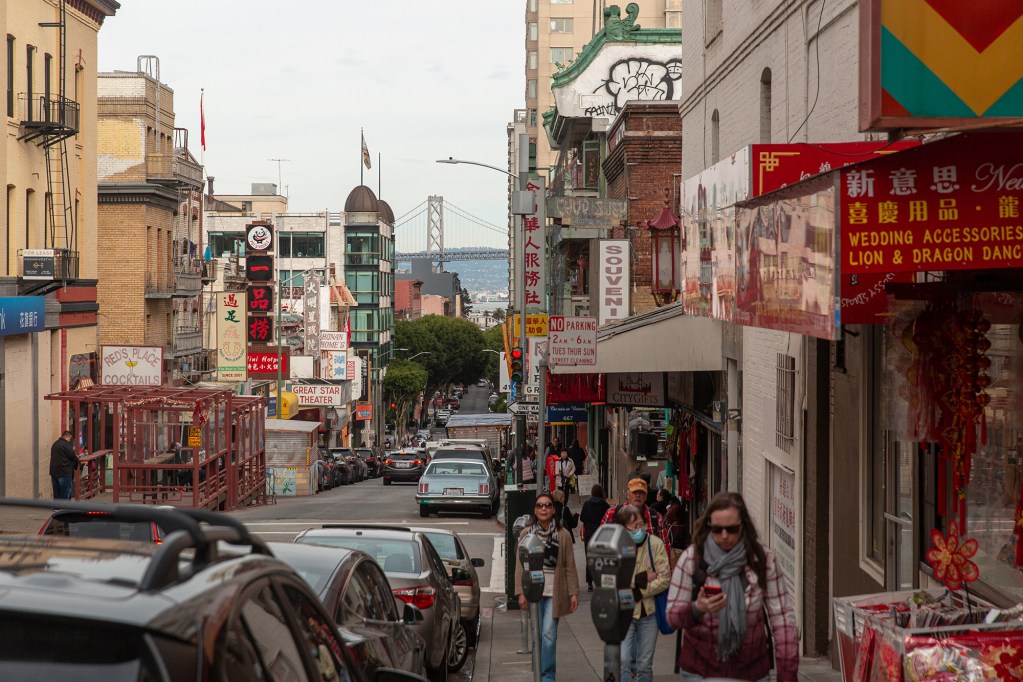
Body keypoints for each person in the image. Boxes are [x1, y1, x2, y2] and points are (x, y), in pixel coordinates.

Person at [666, 491, 799, 681]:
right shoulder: (692, 559)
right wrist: (697, 609)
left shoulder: (762, 561)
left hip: (751, 672)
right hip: (701, 672)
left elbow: (783, 621)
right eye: (717, 529)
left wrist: (787, 675)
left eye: (732, 529)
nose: (725, 535)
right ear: (708, 526)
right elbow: (672, 617)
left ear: (743, 526)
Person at [514, 492, 580, 682]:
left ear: (553, 509)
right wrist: (521, 593)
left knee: (549, 635)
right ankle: (538, 671)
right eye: (540, 505)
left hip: (554, 592)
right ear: (535, 510)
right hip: (533, 592)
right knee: (538, 636)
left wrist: (573, 593)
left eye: (548, 505)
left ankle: (547, 676)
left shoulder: (563, 535)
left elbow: (569, 565)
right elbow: (520, 565)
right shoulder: (526, 534)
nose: (544, 509)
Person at [615, 504, 670, 682]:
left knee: (645, 664)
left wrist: (639, 590)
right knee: (623, 660)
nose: (639, 529)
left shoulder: (655, 544)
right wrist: (642, 578)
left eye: (641, 524)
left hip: (650, 613)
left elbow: (664, 578)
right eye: (634, 526)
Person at [600, 477, 670, 547]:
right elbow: (600, 542)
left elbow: (665, 547)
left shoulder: (656, 518)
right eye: (634, 492)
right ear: (628, 494)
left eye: (641, 493)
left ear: (646, 496)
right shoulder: (611, 513)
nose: (638, 495)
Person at [579, 484, 611, 591]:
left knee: (589, 557)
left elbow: (582, 518)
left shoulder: (587, 504)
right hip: (601, 533)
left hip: (589, 533)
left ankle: (589, 582)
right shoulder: (605, 505)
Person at [49, 430, 79, 500]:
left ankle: (57, 508)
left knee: (57, 492)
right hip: (64, 472)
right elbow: (72, 456)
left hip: (54, 472)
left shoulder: (55, 444)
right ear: (68, 437)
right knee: (65, 493)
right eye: (70, 438)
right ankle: (64, 508)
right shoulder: (66, 445)